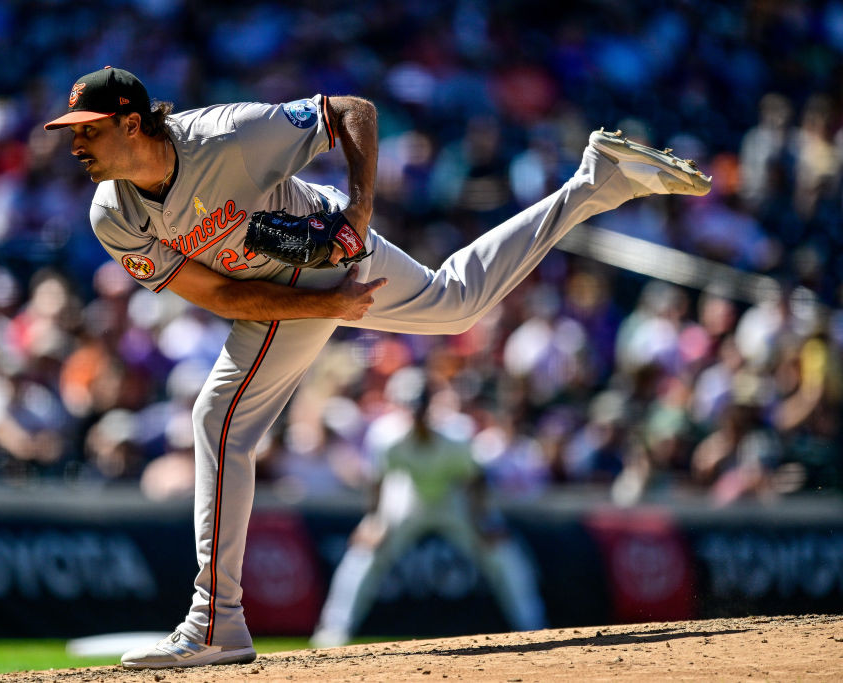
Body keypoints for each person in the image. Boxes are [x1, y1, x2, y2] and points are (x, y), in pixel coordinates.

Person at [43, 66, 711, 669]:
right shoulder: (112, 214)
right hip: (280, 294)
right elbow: (217, 295)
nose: (75, 144)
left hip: (333, 249)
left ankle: (215, 622)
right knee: (222, 415)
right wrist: (325, 307)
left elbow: (351, 112)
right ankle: (598, 179)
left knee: (452, 307)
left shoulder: (225, 136)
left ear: (132, 122)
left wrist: (359, 215)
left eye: (88, 129)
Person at [311, 379, 547, 648]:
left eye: (421, 406)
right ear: (402, 409)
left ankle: (533, 625)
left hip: (452, 498)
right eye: (412, 407)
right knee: (363, 556)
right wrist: (374, 521)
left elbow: (473, 481)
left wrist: (483, 521)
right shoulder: (387, 436)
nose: (418, 413)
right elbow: (379, 481)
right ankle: (333, 632)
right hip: (407, 496)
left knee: (503, 554)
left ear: (431, 407)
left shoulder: (456, 434)